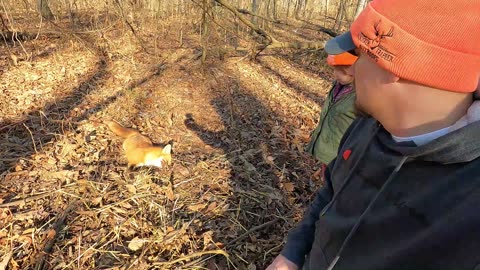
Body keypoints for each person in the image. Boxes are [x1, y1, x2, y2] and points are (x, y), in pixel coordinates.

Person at [266, 0, 480, 269]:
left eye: (358, 54)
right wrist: (294, 252)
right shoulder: (366, 126)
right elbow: (331, 194)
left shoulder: (471, 211)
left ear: (396, 68)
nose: (352, 70)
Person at [306, 52, 357, 176]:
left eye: (342, 72)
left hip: (341, 155)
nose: (336, 75)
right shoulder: (339, 85)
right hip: (329, 148)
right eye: (335, 70)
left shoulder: (359, 95)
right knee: (327, 178)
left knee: (335, 182)